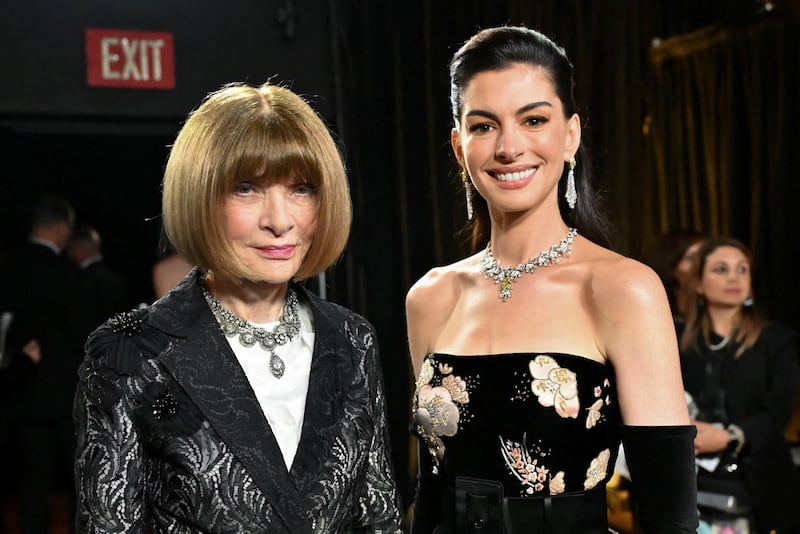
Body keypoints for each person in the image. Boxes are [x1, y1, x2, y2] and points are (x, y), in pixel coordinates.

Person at [73, 82, 405, 533]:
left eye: (302, 189)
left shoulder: (352, 340)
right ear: (200, 196)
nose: (280, 220)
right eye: (247, 188)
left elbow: (380, 517)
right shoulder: (130, 354)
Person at [406, 26, 698, 533]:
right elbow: (430, 491)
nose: (509, 147)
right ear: (459, 146)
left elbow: (668, 513)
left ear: (570, 135)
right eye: (483, 126)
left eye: (534, 120)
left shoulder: (622, 289)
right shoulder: (432, 296)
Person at [679, 237, 800, 533]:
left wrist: (730, 437)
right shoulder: (675, 336)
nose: (733, 277)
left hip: (759, 484)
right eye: (720, 269)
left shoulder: (776, 340)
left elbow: (777, 413)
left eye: (742, 269)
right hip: (688, 479)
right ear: (697, 283)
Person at [0, 194, 85, 534]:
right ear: (63, 226)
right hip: (65, 393)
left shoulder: (8, 266)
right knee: (78, 477)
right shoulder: (68, 272)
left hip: (21, 388)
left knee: (33, 479)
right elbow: (83, 334)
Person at [67, 225, 130, 332]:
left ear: (79, 250)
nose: (70, 254)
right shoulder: (115, 279)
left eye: (71, 249)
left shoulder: (75, 281)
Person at [640, 230, 706, 323]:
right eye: (690, 258)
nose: (701, 265)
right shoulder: (651, 313)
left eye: (705, 258)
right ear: (670, 264)